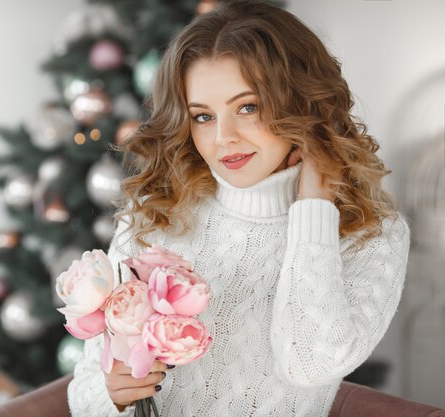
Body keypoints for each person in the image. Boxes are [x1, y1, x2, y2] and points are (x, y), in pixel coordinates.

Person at [67, 0, 411, 416]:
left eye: (247, 107)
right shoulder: (156, 211)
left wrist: (315, 206)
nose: (223, 137)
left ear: (300, 103)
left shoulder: (370, 234)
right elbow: (84, 390)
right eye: (203, 116)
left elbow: (310, 364)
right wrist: (113, 394)